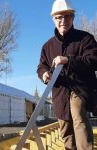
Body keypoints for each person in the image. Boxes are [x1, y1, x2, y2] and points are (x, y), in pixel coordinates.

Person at [37, 0, 97, 149]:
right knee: (65, 127)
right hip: (59, 93)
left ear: (73, 17)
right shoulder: (47, 46)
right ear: (53, 19)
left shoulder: (85, 39)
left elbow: (93, 60)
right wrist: (44, 74)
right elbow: (41, 66)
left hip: (81, 90)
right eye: (58, 17)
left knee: (78, 118)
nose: (63, 20)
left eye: (67, 16)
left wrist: (67, 60)